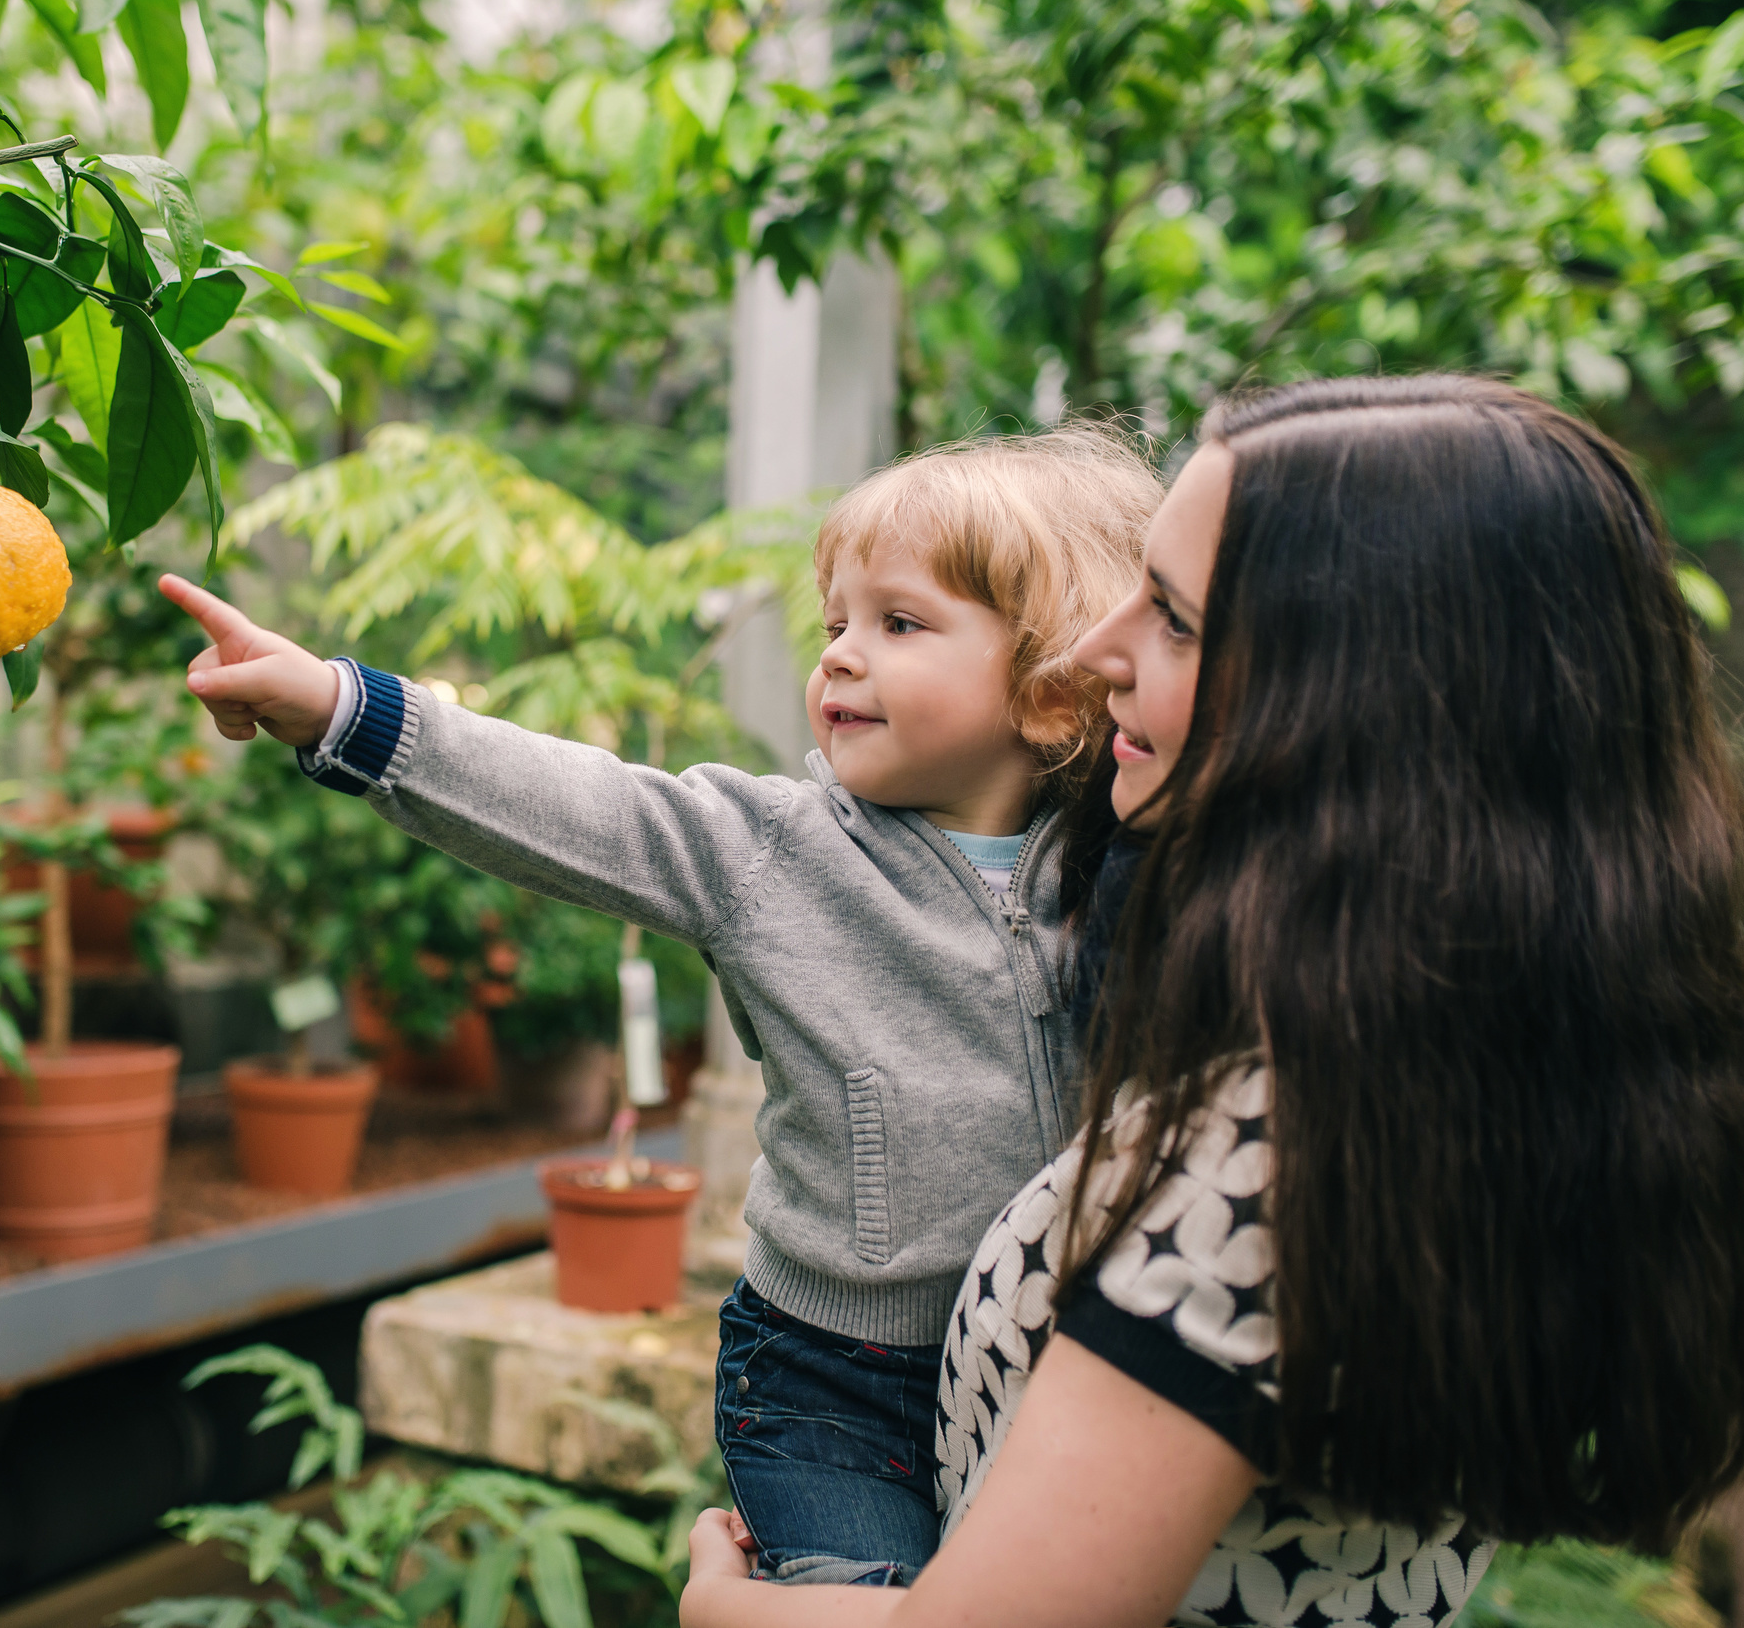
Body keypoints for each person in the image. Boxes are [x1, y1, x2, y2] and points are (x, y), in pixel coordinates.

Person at [680, 376, 1744, 1628]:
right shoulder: (1515, 1068)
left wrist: (734, 1611)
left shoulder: (1270, 1164)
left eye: (1170, 616)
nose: (1088, 648)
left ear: (1354, 702)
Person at [162, 429, 1160, 1586]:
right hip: (838, 1383)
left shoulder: (1131, 856)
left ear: (1049, 690)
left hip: (1057, 1357)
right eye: (834, 622)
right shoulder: (772, 851)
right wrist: (339, 705)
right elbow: (582, 803)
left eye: (898, 623)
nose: (837, 657)